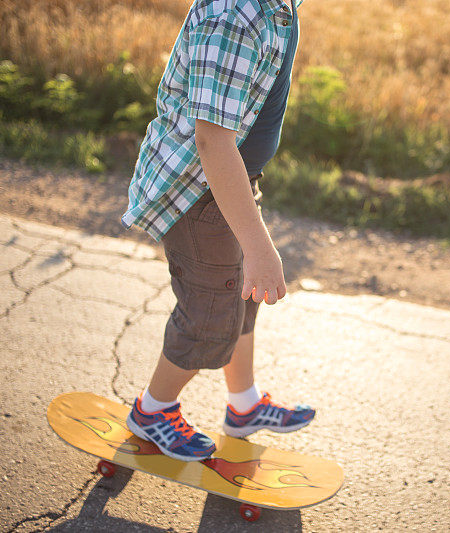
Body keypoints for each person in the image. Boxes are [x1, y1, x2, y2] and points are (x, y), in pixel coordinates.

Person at [120, 0, 313, 462]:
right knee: (210, 313)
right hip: (197, 190)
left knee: (242, 300)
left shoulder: (280, 7)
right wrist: (259, 244)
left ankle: (243, 405)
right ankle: (153, 411)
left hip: (231, 183)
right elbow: (212, 139)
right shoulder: (235, 18)